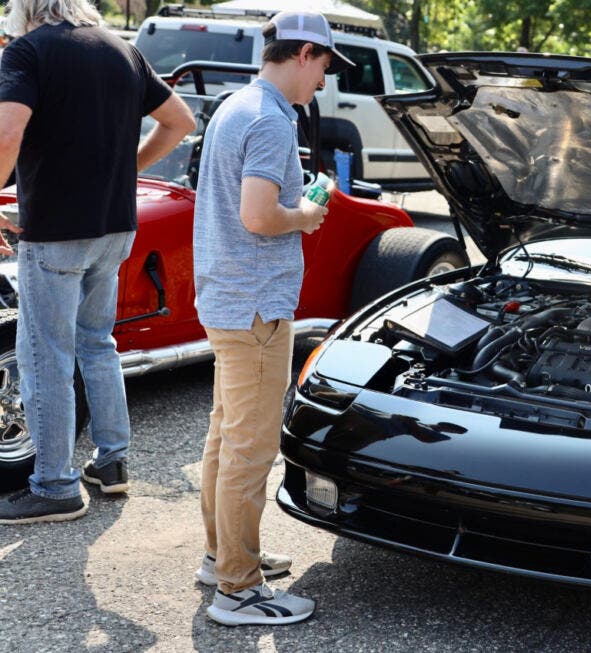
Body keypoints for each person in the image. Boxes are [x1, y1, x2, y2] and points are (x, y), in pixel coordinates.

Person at [0, 0, 195, 524]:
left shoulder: (28, 51)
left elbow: (5, 134)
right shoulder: (121, 49)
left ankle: (55, 485)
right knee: (96, 343)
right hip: (115, 227)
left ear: (25, 9)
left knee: (46, 356)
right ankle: (111, 464)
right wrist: (124, 171)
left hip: (58, 231)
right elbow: (180, 121)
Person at [191, 10, 352, 626]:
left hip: (227, 298)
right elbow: (260, 216)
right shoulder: (269, 120)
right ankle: (237, 589)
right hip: (256, 304)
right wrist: (305, 217)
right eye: (326, 66)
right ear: (306, 52)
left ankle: (221, 557)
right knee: (250, 451)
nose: (324, 80)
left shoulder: (237, 104)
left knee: (225, 438)